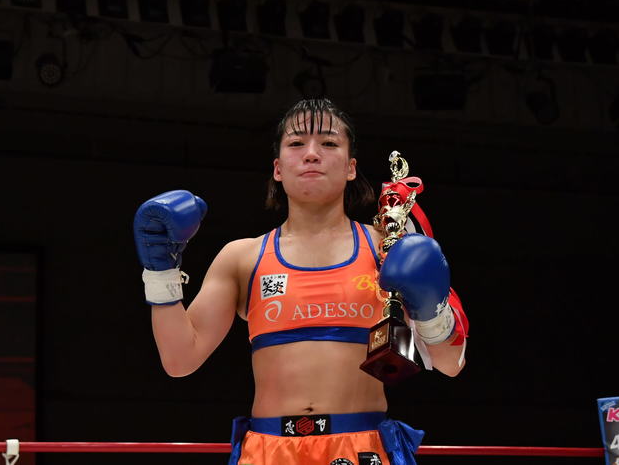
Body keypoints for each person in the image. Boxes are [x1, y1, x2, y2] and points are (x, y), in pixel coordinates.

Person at [133, 98, 468, 465]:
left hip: (362, 450)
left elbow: (450, 363)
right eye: (296, 143)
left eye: (328, 142)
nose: (311, 154)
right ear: (278, 168)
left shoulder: (388, 248)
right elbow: (180, 360)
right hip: (269, 451)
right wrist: (161, 270)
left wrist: (429, 305)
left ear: (351, 168)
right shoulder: (242, 257)